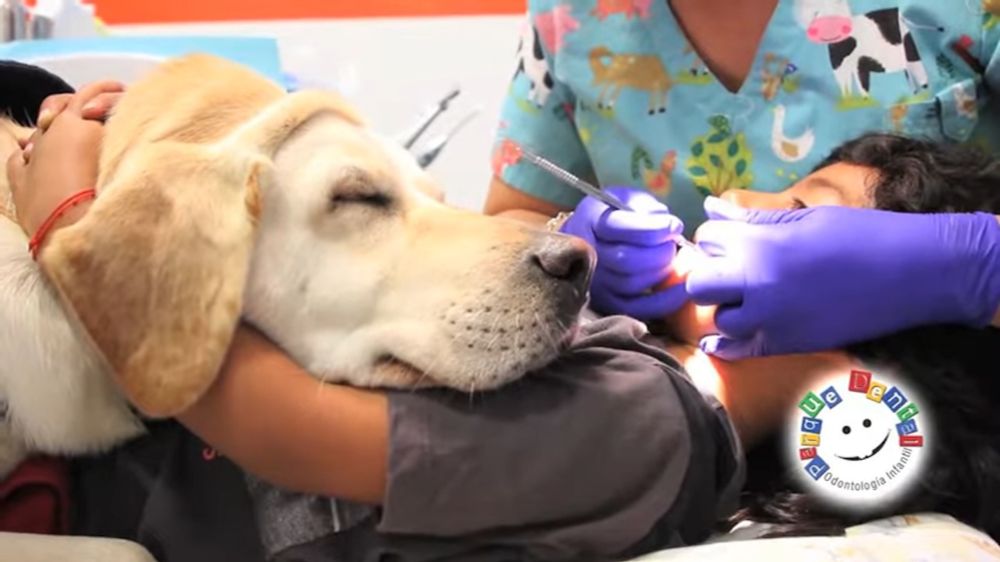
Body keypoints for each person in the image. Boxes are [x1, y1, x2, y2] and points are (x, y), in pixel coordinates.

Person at [6, 66, 1000, 560]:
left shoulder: (653, 427)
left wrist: (85, 230)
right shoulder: (646, 377)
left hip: (101, 501)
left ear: (866, 353)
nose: (741, 205)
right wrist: (578, 260)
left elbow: (281, 426)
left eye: (803, 211)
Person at [487, 0, 1000, 358]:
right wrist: (578, 251)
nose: (729, 201)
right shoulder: (572, 15)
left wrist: (969, 267)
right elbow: (514, 219)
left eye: (801, 207)